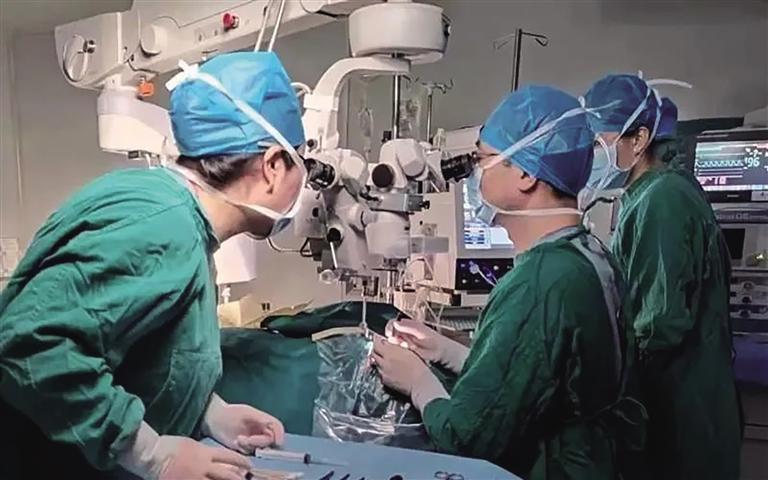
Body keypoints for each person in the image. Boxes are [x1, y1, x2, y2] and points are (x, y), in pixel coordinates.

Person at [0, 51, 308, 480]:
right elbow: (33, 345)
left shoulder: (177, 216)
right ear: (273, 166)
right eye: (301, 161)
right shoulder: (165, 226)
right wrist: (151, 454)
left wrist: (210, 412)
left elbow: (142, 352)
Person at [372, 85, 644, 479]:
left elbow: (469, 438)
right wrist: (450, 353)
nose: (475, 172)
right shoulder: (589, 255)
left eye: (482, 158)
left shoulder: (539, 282)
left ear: (525, 174)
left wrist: (417, 382)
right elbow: (546, 379)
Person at [583, 74, 742, 480]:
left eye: (598, 142)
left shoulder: (663, 200)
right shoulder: (650, 194)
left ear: (639, 139)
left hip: (680, 414)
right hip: (679, 403)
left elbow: (659, 323)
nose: (590, 155)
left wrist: (595, 368)